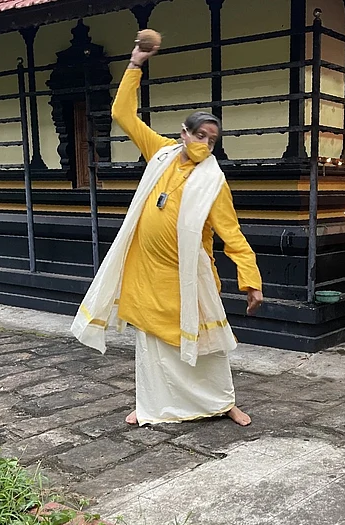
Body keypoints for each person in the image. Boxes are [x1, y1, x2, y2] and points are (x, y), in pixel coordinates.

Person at [70, 38, 263, 427]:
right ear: (184, 133)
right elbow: (123, 114)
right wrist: (135, 64)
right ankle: (152, 405)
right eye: (200, 135)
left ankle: (224, 403)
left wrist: (250, 280)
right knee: (153, 347)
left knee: (207, 347)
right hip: (148, 273)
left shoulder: (214, 181)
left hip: (190, 277)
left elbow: (232, 233)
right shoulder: (159, 153)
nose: (206, 144)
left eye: (213, 139)